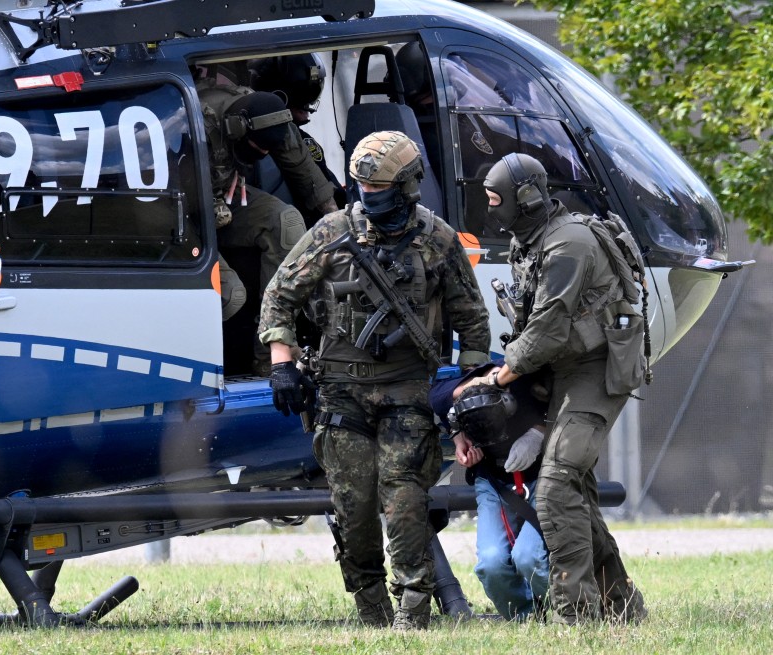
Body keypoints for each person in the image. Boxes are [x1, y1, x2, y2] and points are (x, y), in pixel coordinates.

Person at [258, 130, 490, 629]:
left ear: (407, 187)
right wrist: (282, 362)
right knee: (354, 508)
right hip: (342, 391)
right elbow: (279, 297)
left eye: (381, 191)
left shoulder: (438, 240)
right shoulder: (331, 233)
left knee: (406, 502)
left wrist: (470, 400)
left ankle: (413, 613)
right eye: (363, 190)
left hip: (408, 391)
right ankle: (370, 609)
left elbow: (472, 321)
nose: (370, 200)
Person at [472, 152, 647, 625]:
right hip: (560, 372)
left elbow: (547, 331)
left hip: (596, 371)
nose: (491, 209)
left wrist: (499, 376)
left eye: (496, 200)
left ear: (524, 198)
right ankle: (622, 606)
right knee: (578, 496)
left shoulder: (568, 244)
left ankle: (577, 617)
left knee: (553, 488)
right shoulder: (527, 242)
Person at [196, 78, 339, 340]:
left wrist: (336, 217)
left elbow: (303, 168)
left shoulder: (268, 118)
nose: (262, 154)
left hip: (226, 198)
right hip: (184, 216)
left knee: (286, 220)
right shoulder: (198, 123)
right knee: (230, 295)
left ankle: (271, 352)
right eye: (257, 148)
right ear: (237, 129)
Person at [429, 365, 550, 620]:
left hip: (544, 476)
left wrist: (538, 434)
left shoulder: (529, 379)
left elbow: (564, 408)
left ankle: (566, 609)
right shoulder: (459, 390)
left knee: (529, 557)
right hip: (494, 480)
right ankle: (525, 617)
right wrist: (458, 434)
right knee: (491, 564)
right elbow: (436, 397)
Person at [249, 54, 347, 216]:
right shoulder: (296, 141)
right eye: (302, 94)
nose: (307, 103)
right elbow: (336, 200)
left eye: (313, 93)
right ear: (277, 96)